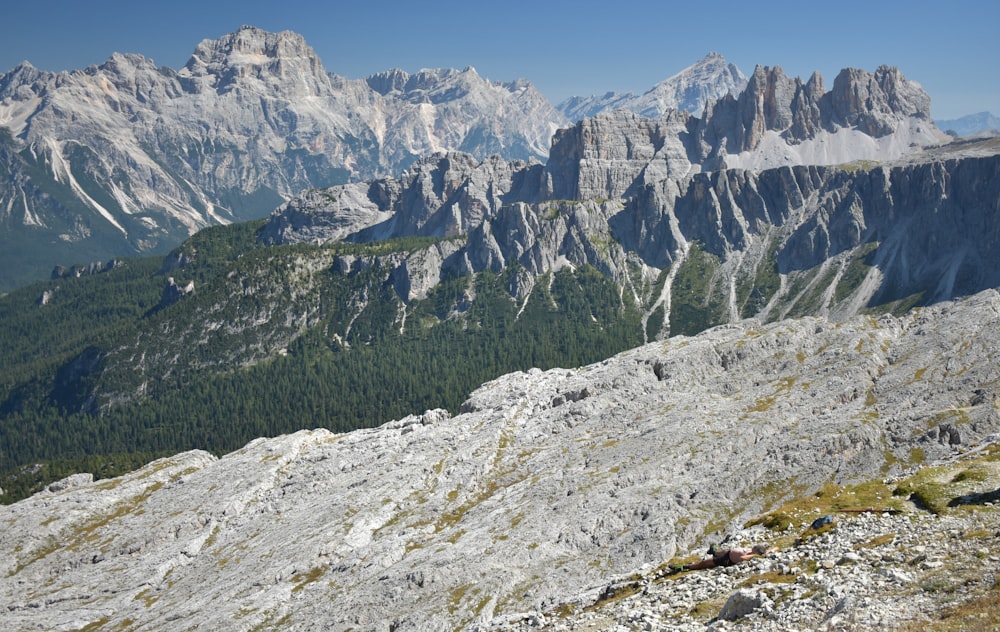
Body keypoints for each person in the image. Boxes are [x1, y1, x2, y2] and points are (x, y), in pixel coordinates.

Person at [670, 543, 771, 572]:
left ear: (757, 551)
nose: (754, 546)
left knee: (703, 563)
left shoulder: (751, 555)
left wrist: (755, 555)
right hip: (727, 554)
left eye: (756, 547)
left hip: (725, 560)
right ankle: (714, 550)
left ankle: (683, 567)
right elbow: (774, 549)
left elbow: (744, 558)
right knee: (721, 551)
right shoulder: (752, 551)